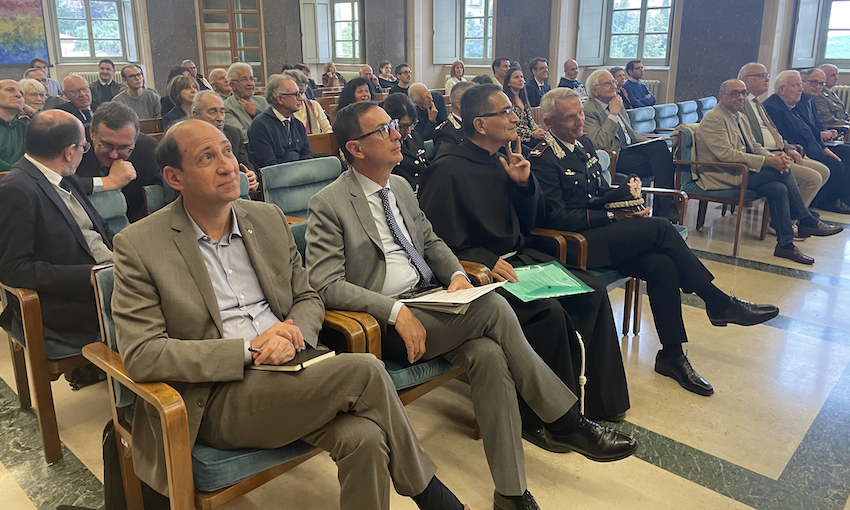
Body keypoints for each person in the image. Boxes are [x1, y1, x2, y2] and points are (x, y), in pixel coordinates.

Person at [111, 118, 468, 510]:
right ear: (174, 177)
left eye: (227, 151)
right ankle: (436, 500)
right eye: (206, 157)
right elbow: (142, 353)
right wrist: (250, 350)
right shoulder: (140, 244)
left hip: (294, 368)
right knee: (366, 370)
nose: (227, 166)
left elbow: (308, 296)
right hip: (215, 395)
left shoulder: (267, 218)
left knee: (363, 437)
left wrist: (293, 335)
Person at [306, 100, 638, 510]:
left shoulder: (402, 187)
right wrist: (396, 312)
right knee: (493, 307)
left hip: (429, 301)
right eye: (383, 130)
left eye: (393, 125)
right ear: (356, 149)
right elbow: (325, 284)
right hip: (384, 321)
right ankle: (564, 420)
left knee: (489, 355)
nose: (396, 133)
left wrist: (457, 275)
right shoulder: (329, 203)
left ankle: (511, 493)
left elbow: (430, 242)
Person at [529, 88, 780, 395]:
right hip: (573, 244)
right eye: (570, 117)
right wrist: (613, 216)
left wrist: (625, 199)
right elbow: (555, 217)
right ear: (549, 122)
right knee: (661, 228)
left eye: (580, 113)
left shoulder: (583, 144)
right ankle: (718, 302)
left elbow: (597, 194)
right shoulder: (542, 158)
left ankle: (671, 355)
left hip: (599, 236)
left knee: (662, 265)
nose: (580, 121)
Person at [420, 82, 632, 422]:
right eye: (505, 112)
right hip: (480, 272)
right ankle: (550, 417)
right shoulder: (446, 169)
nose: (515, 119)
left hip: (519, 258)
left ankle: (601, 402)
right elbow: (433, 240)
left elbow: (530, 223)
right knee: (548, 312)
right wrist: (485, 261)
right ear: (480, 124)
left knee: (591, 290)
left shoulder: (502, 160)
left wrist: (524, 185)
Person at [0, 109, 113, 362]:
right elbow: (13, 269)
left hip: (109, 273)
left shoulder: (65, 176)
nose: (84, 152)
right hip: (71, 298)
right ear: (69, 151)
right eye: (84, 146)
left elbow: (100, 228)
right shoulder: (16, 190)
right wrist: (89, 275)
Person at [696, 79, 842, 265]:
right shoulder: (715, 118)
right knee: (783, 172)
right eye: (734, 93)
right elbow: (727, 155)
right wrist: (768, 161)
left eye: (743, 93)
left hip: (741, 170)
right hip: (721, 173)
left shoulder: (739, 116)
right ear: (721, 96)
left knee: (778, 188)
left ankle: (785, 245)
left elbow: (754, 145)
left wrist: (774, 157)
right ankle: (806, 219)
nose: (740, 97)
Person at [583, 69, 677, 218]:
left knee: (660, 148)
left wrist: (652, 143)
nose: (613, 86)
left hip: (631, 148)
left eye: (613, 82)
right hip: (614, 156)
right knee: (665, 163)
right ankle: (665, 208)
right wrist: (612, 114)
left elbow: (631, 134)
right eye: (607, 83)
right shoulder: (589, 110)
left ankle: (665, 209)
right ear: (595, 90)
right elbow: (599, 143)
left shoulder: (616, 103)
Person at [738, 63, 830, 212]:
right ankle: (793, 218)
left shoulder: (757, 103)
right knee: (813, 178)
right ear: (745, 80)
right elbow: (748, 139)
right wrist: (771, 156)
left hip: (779, 150)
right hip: (764, 155)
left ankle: (793, 216)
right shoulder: (741, 105)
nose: (767, 79)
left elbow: (774, 131)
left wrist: (789, 149)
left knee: (824, 171)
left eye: (767, 75)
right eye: (761, 76)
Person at [762, 70, 850, 215]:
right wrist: (804, 154)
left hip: (811, 148)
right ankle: (812, 207)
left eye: (800, 85)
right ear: (782, 90)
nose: (800, 89)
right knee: (836, 164)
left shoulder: (792, 104)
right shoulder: (773, 107)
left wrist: (823, 148)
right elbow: (782, 137)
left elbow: (812, 127)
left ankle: (810, 207)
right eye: (796, 85)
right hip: (799, 151)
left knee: (843, 155)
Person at [75, 101, 167, 222]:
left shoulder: (148, 148)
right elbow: (58, 184)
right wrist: (108, 181)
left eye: (124, 148)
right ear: (92, 132)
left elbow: (161, 190)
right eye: (107, 145)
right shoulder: (74, 145)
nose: (114, 155)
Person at [248, 74, 312, 169]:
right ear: (280, 99)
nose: (301, 98)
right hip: (276, 175)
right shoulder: (260, 125)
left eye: (300, 93)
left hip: (300, 173)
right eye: (296, 94)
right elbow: (270, 166)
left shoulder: (298, 124)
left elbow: (308, 158)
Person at [381, 93, 428, 194]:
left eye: (411, 125)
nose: (408, 131)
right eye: (402, 126)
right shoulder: (384, 144)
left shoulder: (414, 137)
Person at [224, 62, 270, 139]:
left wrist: (257, 113)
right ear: (232, 85)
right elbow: (242, 136)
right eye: (244, 79)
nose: (250, 83)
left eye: (252, 79)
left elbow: (277, 126)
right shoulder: (226, 107)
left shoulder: (263, 101)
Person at [282, 69, 332, 134]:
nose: (300, 97)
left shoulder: (314, 105)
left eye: (299, 93)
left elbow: (328, 130)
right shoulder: (282, 111)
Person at [503, 67, 544, 144]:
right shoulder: (507, 101)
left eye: (521, 77)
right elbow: (510, 125)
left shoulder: (523, 98)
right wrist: (532, 134)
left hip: (531, 135)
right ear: (508, 83)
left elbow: (531, 120)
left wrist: (537, 130)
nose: (520, 79)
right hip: (518, 139)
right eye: (516, 77)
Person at [433, 81, 475, 150]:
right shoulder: (445, 132)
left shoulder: (478, 124)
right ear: (459, 104)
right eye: (474, 100)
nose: (480, 104)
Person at [0, 80, 28, 171]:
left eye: (22, 94)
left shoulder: (23, 127)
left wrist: (33, 112)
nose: (18, 95)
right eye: (10, 90)